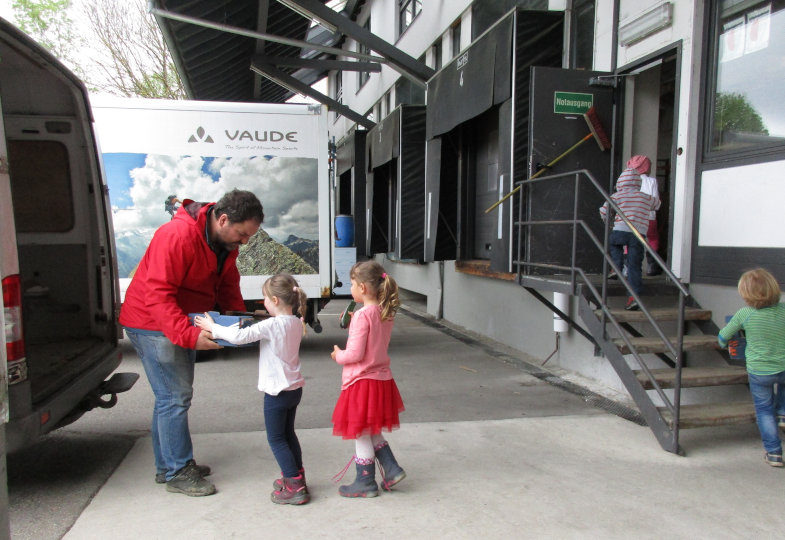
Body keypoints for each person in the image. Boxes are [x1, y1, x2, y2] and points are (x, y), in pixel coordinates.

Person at [120, 189, 264, 496]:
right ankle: (177, 471)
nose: (244, 242)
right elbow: (157, 295)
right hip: (150, 322)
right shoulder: (177, 235)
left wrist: (237, 322)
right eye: (242, 234)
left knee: (169, 396)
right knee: (174, 396)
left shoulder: (223, 242)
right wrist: (188, 336)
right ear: (223, 219)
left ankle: (168, 465)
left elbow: (227, 283)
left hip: (178, 317)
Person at [195, 273, 310, 504]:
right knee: (288, 434)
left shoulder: (271, 325)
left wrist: (213, 326)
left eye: (264, 298)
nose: (263, 302)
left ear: (275, 301)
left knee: (276, 439)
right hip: (294, 389)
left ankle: (294, 486)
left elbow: (239, 337)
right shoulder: (297, 322)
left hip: (276, 392)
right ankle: (296, 477)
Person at [331, 261, 406, 498]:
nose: (351, 288)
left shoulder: (363, 316)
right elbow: (373, 338)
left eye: (352, 284)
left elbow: (354, 354)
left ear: (362, 288)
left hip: (362, 382)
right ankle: (392, 469)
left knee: (361, 432)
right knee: (371, 429)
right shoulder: (385, 312)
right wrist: (356, 320)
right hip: (381, 380)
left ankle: (365, 481)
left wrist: (337, 355)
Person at [718, 268, 785, 467]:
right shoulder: (783, 310)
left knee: (764, 411)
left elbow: (723, 337)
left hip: (759, 371)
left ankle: (774, 453)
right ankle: (783, 413)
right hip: (784, 365)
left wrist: (724, 342)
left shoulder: (744, 314)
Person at [600, 156, 657, 311]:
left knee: (614, 244)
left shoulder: (616, 196)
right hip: (638, 235)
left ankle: (616, 267)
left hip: (620, 229)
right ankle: (633, 297)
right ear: (637, 183)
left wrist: (608, 220)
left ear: (620, 182)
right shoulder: (645, 197)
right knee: (634, 266)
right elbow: (657, 204)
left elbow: (603, 211)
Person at [631, 156, 663, 276]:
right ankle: (652, 267)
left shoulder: (630, 181)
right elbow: (655, 200)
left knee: (632, 242)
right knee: (653, 239)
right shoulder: (652, 181)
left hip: (632, 219)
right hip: (649, 217)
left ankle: (629, 268)